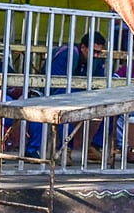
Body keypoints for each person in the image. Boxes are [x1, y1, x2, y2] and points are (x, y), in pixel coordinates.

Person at [24, 32, 106, 160]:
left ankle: (94, 146)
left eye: (98, 52)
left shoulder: (96, 61)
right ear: (83, 47)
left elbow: (100, 83)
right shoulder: (68, 53)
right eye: (93, 51)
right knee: (65, 104)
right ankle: (64, 148)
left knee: (109, 103)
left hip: (78, 94)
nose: (95, 55)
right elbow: (56, 84)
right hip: (51, 94)